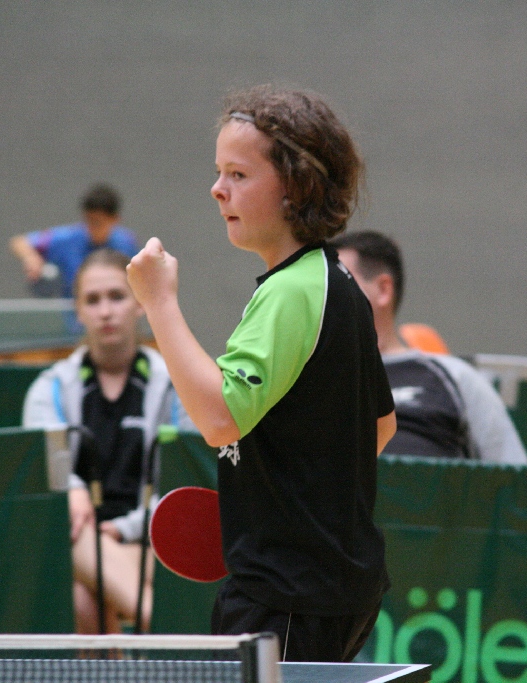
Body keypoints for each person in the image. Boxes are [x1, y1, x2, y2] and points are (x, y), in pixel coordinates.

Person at [126, 84, 396, 663]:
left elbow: (220, 419)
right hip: (336, 589)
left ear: (296, 186)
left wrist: (158, 303)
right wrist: (290, 493)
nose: (217, 188)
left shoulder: (290, 292)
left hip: (285, 594)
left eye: (239, 174)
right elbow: (381, 425)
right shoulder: (338, 282)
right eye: (218, 172)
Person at [22, 248, 174, 634]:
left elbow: (182, 489)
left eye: (117, 296)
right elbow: (43, 478)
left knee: (83, 593)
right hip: (78, 541)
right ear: (78, 311)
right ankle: (166, 628)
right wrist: (72, 491)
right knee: (76, 579)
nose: (105, 311)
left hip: (153, 543)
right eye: (92, 300)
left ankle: (159, 626)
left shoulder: (174, 386)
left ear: (139, 304)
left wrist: (127, 529)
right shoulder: (49, 390)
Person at [330, 230, 527, 464]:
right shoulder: (314, 377)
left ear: (383, 290)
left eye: (339, 282)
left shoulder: (453, 375)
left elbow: (513, 474)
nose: (324, 295)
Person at [9, 183, 140, 299]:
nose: (91, 228)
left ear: (115, 219)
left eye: (98, 222)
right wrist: (31, 257)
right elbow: (20, 242)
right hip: (74, 316)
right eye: (88, 221)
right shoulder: (66, 239)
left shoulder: (126, 242)